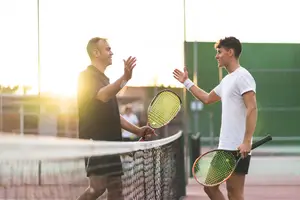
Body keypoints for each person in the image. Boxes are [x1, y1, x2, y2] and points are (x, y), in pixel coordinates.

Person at [173, 36, 257, 200]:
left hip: (237, 147)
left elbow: (252, 108)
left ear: (230, 52)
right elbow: (206, 98)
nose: (216, 56)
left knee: (234, 192)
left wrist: (247, 141)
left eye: (219, 52)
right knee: (210, 187)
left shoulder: (243, 76)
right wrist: (187, 82)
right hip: (224, 147)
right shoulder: (227, 80)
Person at [76, 37, 155, 200]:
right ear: (96, 53)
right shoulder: (86, 76)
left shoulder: (105, 80)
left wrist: (137, 130)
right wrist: (125, 78)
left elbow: (113, 114)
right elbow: (102, 96)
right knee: (96, 188)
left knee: (116, 189)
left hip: (111, 143)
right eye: (108, 49)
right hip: (95, 143)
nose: (112, 52)